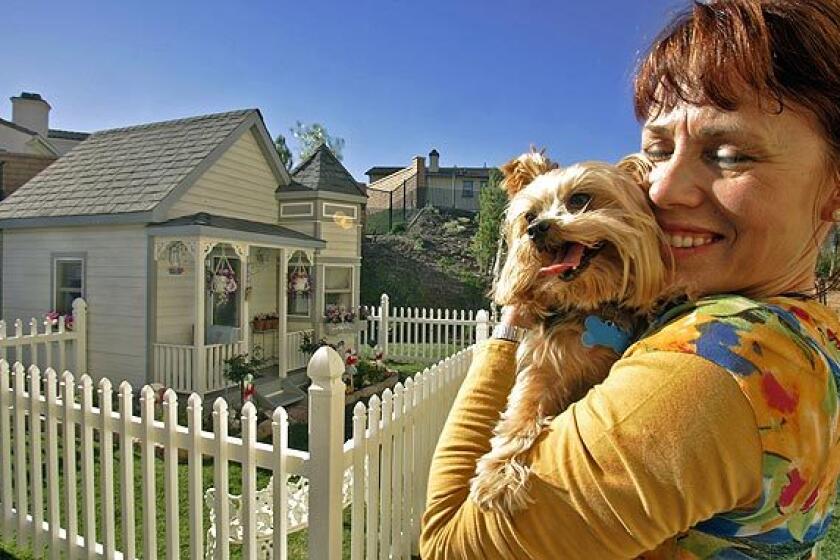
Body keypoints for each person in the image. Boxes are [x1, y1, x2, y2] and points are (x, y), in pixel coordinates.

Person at [419, 1, 840, 559]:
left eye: (730, 154)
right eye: (658, 151)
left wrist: (509, 332)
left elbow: (451, 545)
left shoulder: (708, 372)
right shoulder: (808, 333)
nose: (661, 193)